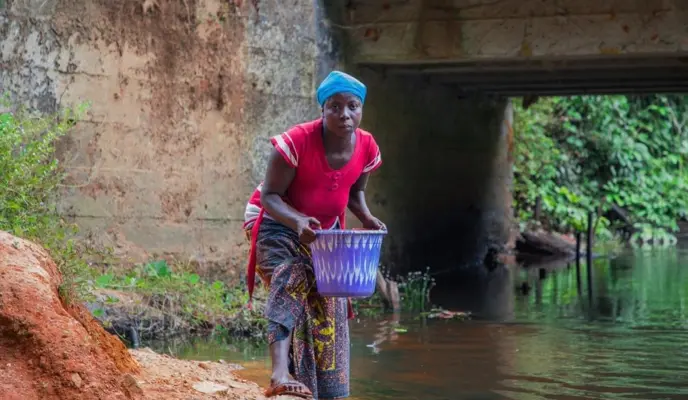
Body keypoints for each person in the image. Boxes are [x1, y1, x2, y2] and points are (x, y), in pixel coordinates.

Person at [243, 70, 385, 399]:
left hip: (323, 228)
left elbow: (354, 192)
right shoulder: (296, 142)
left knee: (329, 298)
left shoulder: (366, 146)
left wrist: (365, 216)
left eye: (353, 106)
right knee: (292, 274)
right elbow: (269, 198)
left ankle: (329, 389)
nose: (345, 115)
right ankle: (280, 373)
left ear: (361, 109)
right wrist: (298, 222)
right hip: (274, 220)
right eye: (335, 106)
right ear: (322, 110)